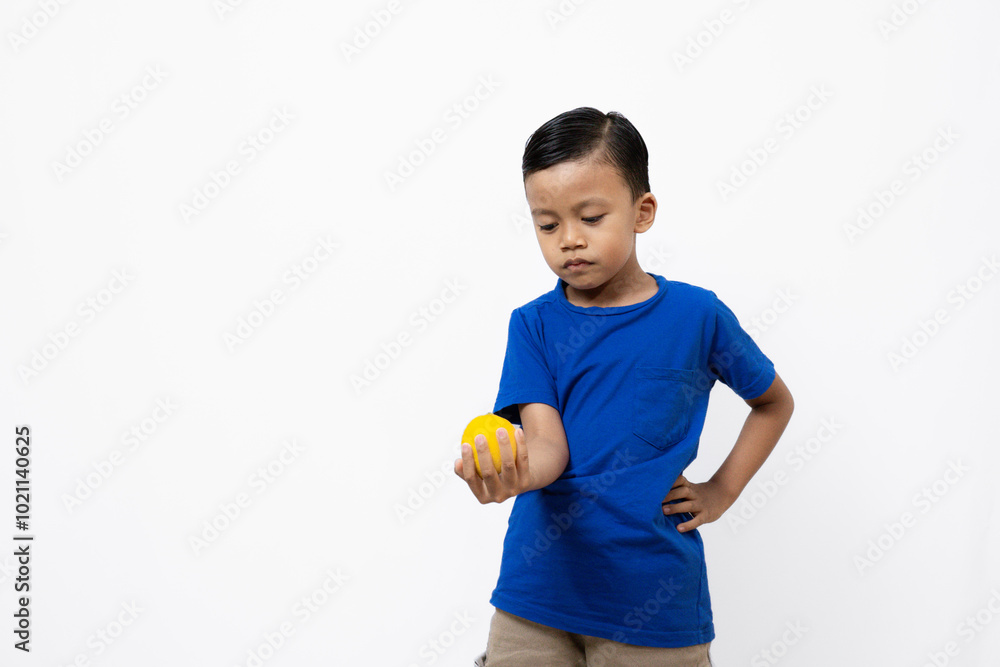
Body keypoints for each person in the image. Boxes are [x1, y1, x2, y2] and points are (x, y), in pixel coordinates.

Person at [455, 107, 795, 667]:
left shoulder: (696, 316)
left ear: (643, 212)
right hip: (535, 598)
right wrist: (508, 475)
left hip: (654, 607)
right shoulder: (534, 324)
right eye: (547, 224)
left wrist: (722, 490)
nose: (568, 240)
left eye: (590, 217)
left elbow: (773, 402)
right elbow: (548, 446)